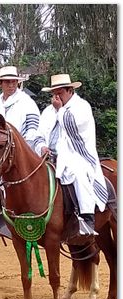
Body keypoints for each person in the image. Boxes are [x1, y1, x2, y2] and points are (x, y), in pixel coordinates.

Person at [34, 73, 108, 237]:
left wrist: (60, 110)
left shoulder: (82, 107)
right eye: (54, 93)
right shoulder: (48, 111)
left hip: (77, 155)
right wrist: (42, 146)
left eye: (59, 93)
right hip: (49, 157)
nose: (56, 97)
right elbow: (39, 134)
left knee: (78, 173)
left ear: (70, 91)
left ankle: (86, 217)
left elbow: (73, 128)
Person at [0, 66, 40, 149]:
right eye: (7, 82)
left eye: (14, 82)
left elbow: (33, 128)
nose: (11, 85)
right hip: (0, 148)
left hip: (22, 148)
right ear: (0, 84)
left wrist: (23, 146)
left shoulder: (27, 101)